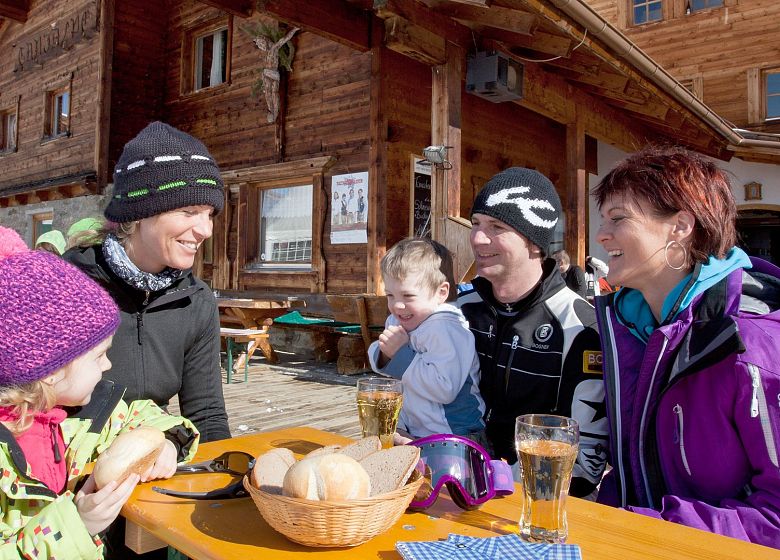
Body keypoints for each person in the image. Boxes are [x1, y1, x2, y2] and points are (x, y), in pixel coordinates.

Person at [592, 146, 780, 548]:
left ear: (680, 226)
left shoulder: (752, 344)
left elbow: (775, 520)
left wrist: (643, 529)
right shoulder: (632, 331)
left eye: (618, 218)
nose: (600, 235)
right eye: (603, 219)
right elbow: (636, 478)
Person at [0, 226, 199, 559]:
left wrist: (169, 441)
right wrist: (77, 525)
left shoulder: (80, 417)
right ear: (50, 371)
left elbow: (144, 416)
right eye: (98, 356)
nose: (108, 366)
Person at [63, 122, 230, 443]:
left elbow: (206, 413)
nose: (205, 230)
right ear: (140, 212)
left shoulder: (196, 300)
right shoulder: (68, 284)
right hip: (67, 466)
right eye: (189, 211)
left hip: (154, 458)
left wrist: (225, 479)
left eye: (209, 214)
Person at [458, 167, 607, 498]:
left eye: (496, 227)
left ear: (535, 243)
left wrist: (489, 478)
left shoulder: (580, 327)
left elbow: (583, 469)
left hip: (538, 507)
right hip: (450, 483)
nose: (478, 238)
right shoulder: (456, 310)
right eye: (476, 224)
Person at [367, 238, 486, 443]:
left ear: (441, 293)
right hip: (417, 429)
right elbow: (380, 357)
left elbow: (444, 389)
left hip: (457, 436)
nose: (397, 305)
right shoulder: (398, 320)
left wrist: (399, 355)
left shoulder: (447, 329)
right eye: (390, 295)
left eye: (408, 296)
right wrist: (385, 354)